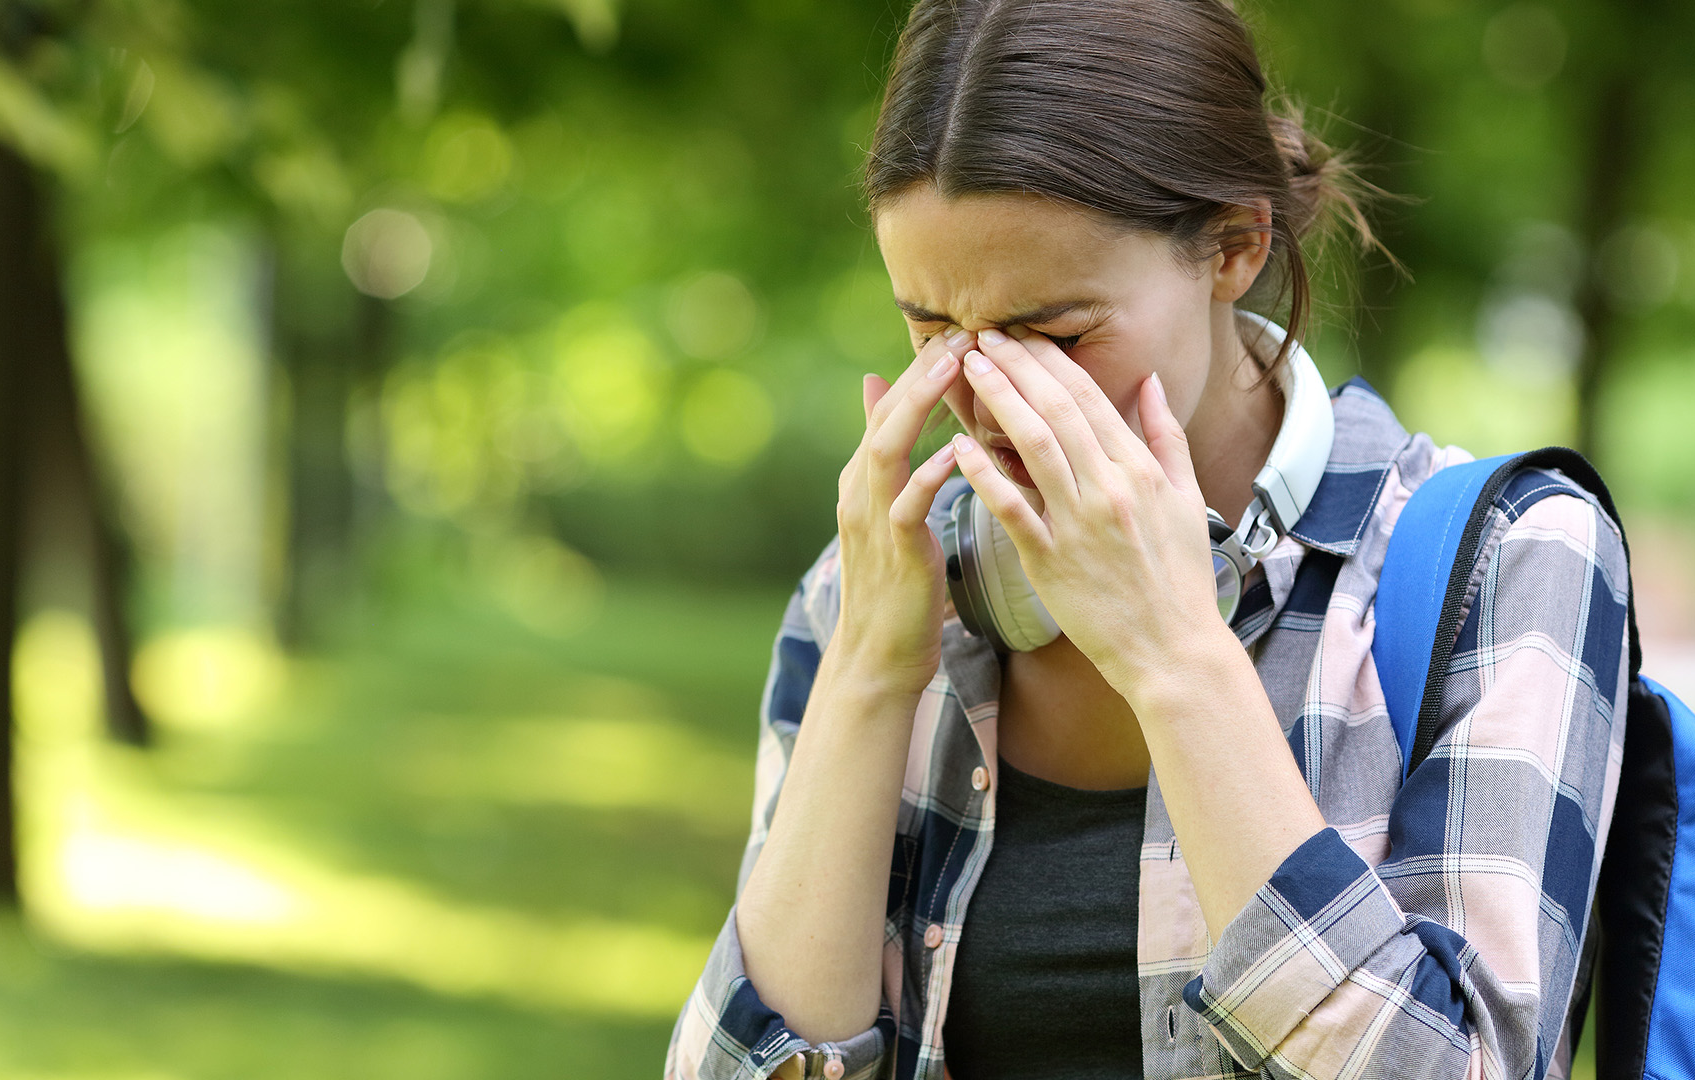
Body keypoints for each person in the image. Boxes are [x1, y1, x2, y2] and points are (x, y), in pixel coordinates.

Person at [665, 1, 1631, 1078]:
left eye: (1054, 332)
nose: (986, 395)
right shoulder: (873, 589)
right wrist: (868, 675)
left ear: (1234, 246)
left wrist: (1176, 659)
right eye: (934, 329)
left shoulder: (1510, 559)